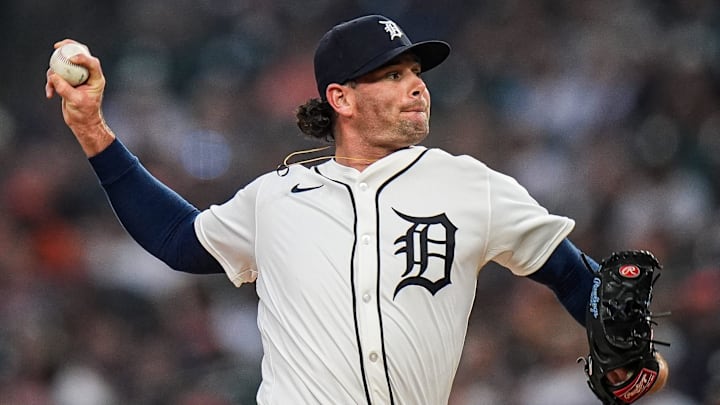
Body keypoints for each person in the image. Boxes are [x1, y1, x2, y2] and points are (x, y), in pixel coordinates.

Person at [46, 14, 666, 405]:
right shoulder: (277, 196)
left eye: (416, 72)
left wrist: (640, 364)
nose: (417, 85)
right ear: (340, 97)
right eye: (392, 75)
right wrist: (94, 130)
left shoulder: (468, 184)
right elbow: (179, 238)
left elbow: (574, 276)